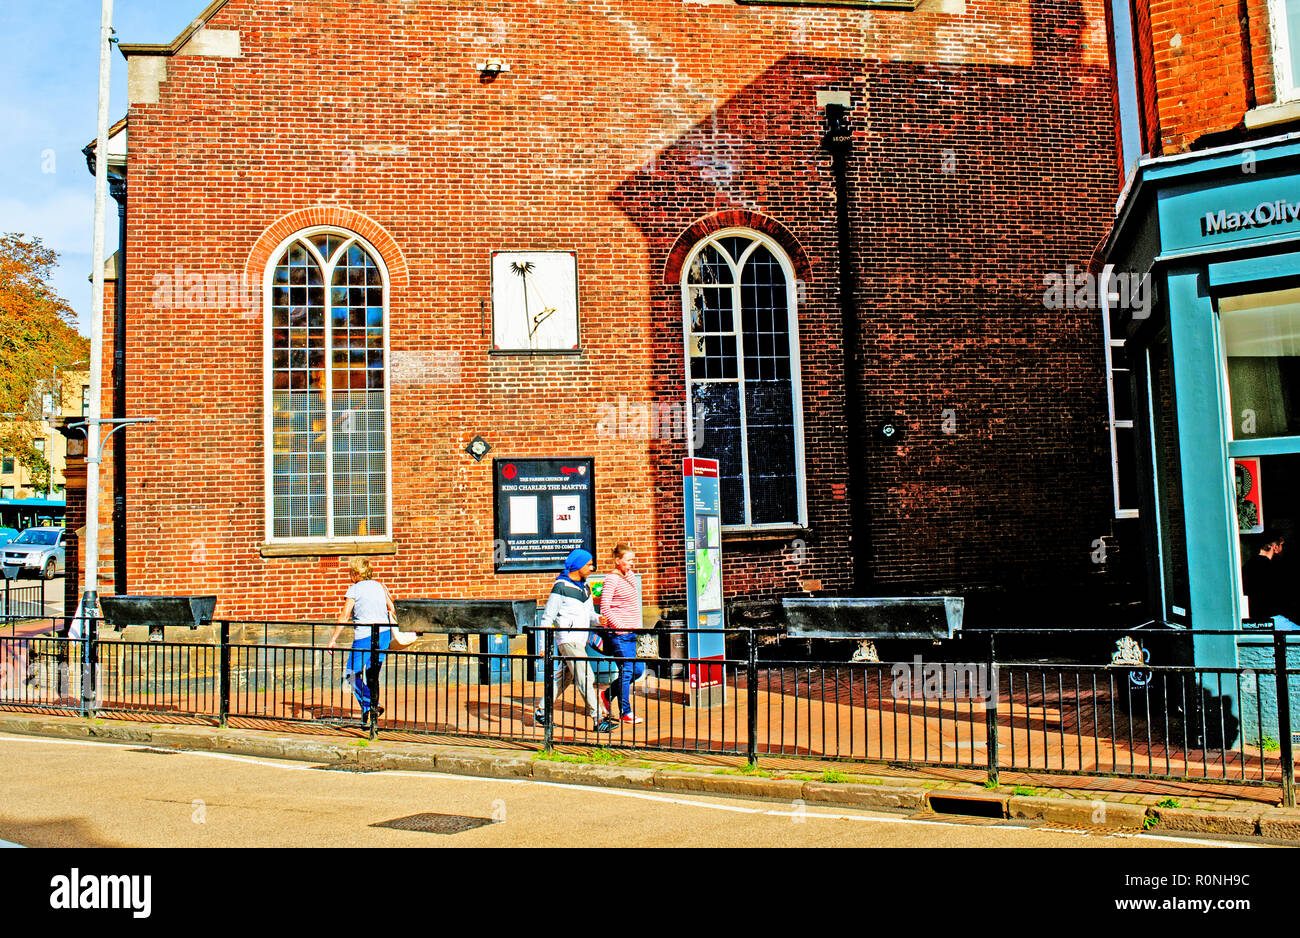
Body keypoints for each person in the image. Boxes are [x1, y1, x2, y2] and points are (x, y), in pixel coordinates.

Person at [534, 548, 619, 733]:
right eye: (588, 564)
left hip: (580, 640)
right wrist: (542, 646)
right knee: (586, 677)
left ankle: (541, 711)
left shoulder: (585, 586)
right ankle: (598, 719)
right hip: (568, 639)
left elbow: (589, 614)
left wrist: (598, 620)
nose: (592, 567)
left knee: (562, 680)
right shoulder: (561, 587)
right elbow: (547, 618)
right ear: (578, 565)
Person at [328, 556, 395, 714]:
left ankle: (371, 704)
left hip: (365, 636)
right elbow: (392, 608)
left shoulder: (354, 589)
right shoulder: (380, 586)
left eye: (350, 571)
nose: (349, 575)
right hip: (383, 634)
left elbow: (344, 616)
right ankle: (369, 714)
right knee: (372, 675)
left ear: (356, 573)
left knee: (350, 675)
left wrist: (332, 640)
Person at [598, 543, 646, 724]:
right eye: (628, 560)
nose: (631, 563)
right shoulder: (611, 579)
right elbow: (605, 608)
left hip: (633, 633)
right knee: (626, 671)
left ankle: (607, 695)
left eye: (632, 560)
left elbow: (632, 605)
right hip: (620, 634)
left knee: (637, 670)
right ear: (618, 561)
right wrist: (620, 627)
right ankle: (625, 711)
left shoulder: (631, 576)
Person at [1243, 530, 1298, 630]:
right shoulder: (1273, 568)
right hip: (1274, 620)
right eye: (1281, 545)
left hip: (1253, 621)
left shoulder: (1246, 566)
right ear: (1275, 547)